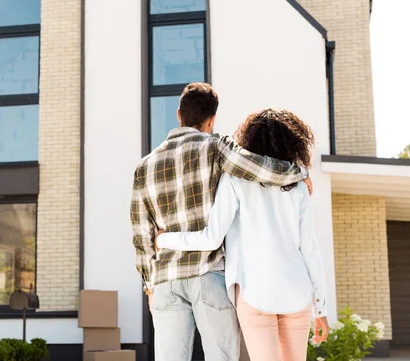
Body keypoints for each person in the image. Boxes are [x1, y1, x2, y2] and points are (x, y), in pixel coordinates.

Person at [130, 83, 312, 361]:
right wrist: (298, 172)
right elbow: (258, 168)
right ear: (212, 119)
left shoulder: (144, 166)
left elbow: (141, 234)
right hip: (209, 273)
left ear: (179, 114)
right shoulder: (216, 146)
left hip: (165, 278)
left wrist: (149, 285)